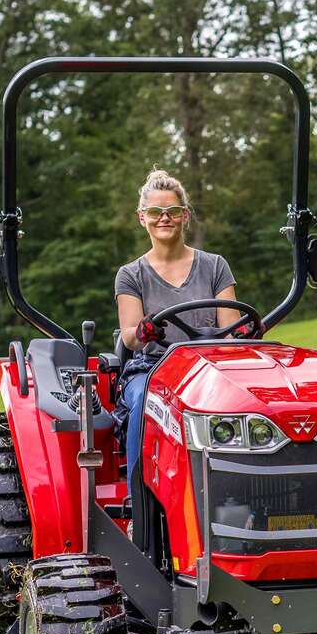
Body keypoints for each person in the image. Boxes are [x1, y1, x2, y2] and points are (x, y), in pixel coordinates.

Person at [114, 167, 239, 467]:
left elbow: (232, 333)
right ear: (142, 218)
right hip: (152, 368)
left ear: (185, 215)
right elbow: (129, 335)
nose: (164, 217)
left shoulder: (215, 266)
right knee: (146, 399)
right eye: (155, 211)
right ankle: (139, 502)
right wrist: (143, 331)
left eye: (172, 210)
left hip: (209, 365)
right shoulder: (130, 275)